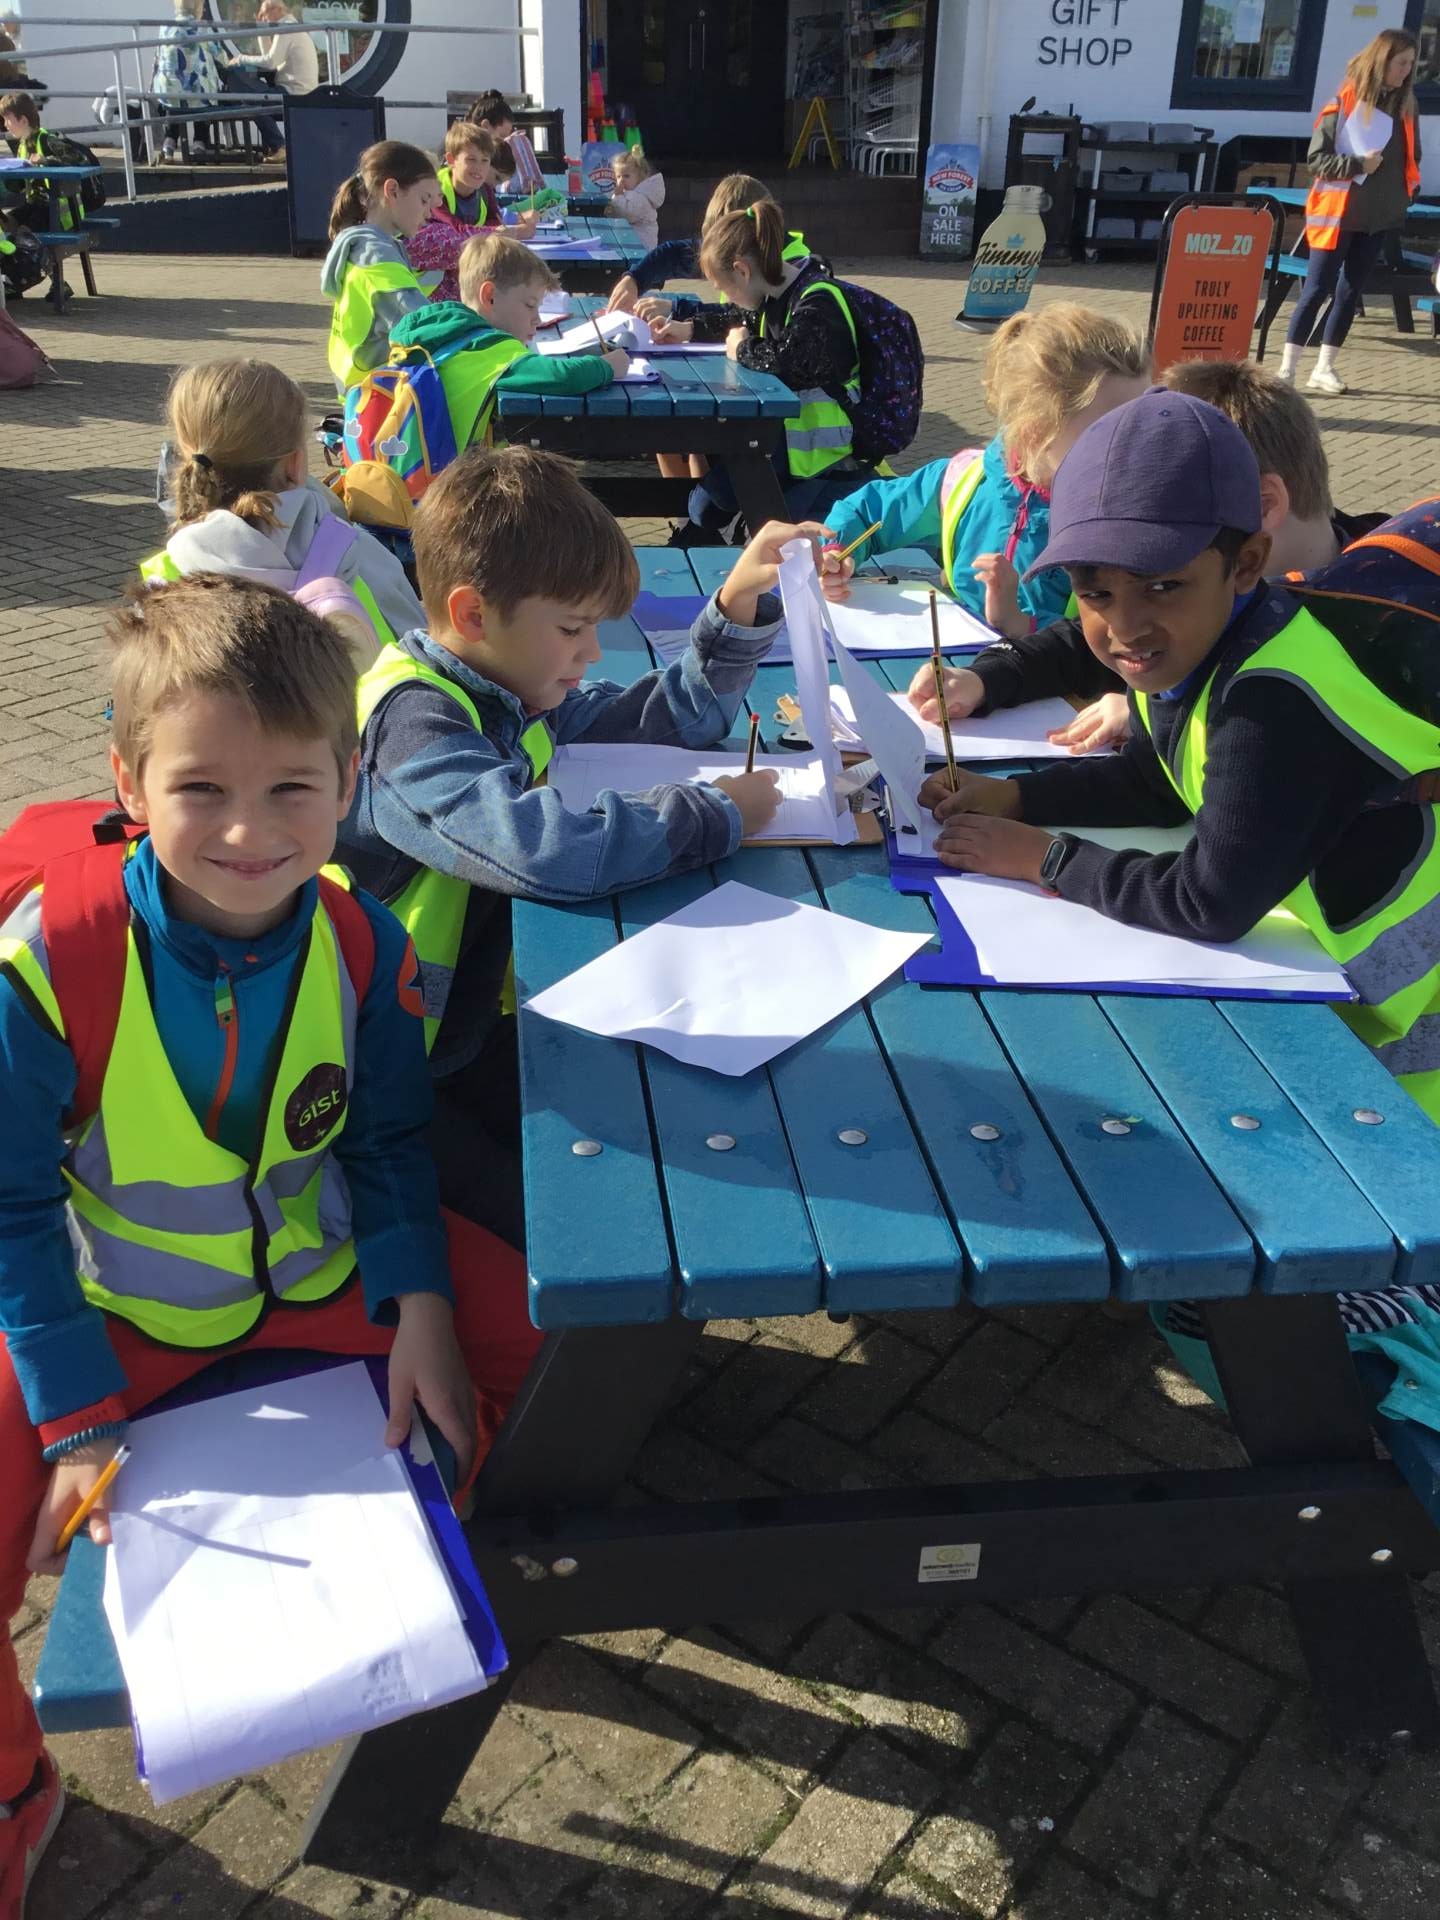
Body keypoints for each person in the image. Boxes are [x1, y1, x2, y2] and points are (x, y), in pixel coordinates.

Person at [0, 574, 542, 1911]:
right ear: (129, 781)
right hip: (108, 1310)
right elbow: (11, 1213)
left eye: (293, 788)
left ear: (348, 782)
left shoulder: (360, 941)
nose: (249, 831)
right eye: (201, 789)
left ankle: (441, 1559)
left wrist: (419, 1307)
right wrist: (76, 1421)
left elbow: (389, 1144)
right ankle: (17, 1792)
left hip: (310, 1279)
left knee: (542, 1338)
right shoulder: (50, 963)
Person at [919, 386, 1440, 1132]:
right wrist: (1020, 798)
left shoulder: (1273, 699)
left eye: (1163, 586)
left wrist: (1045, 858)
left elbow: (1210, 903)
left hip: (1403, 1037)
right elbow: (1157, 781)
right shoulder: (1203, 649)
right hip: (1334, 986)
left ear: (1247, 562)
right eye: (1095, 593)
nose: (1125, 627)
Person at [334, 448, 805, 1235]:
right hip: (389, 1074)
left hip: (468, 1030)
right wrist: (712, 815)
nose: (590, 652)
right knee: (574, 1226)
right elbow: (537, 850)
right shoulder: (414, 727)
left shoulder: (504, 688)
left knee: (659, 1129)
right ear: (474, 614)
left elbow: (657, 722)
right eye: (573, 628)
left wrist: (735, 609)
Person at [912, 354, 1393, 753]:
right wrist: (985, 678)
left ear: (1260, 509)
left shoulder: (1373, 630)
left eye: (1161, 580)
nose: (1126, 622)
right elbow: (1080, 643)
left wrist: (1147, 712)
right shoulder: (1234, 584)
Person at [821, 303, 1151, 634]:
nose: (1135, 444)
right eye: (1112, 431)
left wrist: (1020, 623)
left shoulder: (1129, 519)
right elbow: (869, 511)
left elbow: (1129, 636)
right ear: (1035, 430)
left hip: (1051, 668)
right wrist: (838, 553)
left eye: (1144, 420)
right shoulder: (966, 481)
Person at [142, 357, 425, 651]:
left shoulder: (161, 586)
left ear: (187, 457)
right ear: (295, 464)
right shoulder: (363, 559)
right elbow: (421, 661)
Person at [669, 196, 887, 540]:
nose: (726, 297)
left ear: (742, 271)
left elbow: (790, 362)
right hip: (786, 440)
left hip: (821, 451)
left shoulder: (817, 302)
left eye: (724, 288)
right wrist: (690, 329)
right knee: (705, 507)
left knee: (712, 505)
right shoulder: (775, 293)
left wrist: (742, 348)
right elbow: (738, 318)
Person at [388, 233, 626, 455]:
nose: (537, 319)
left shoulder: (441, 332)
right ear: (489, 296)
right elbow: (564, 376)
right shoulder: (489, 346)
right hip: (442, 478)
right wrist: (608, 366)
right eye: (530, 305)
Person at [1280, 26, 1420, 396]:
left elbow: (1412, 157)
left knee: (1350, 291)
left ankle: (1324, 368)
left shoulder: (1408, 105)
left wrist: (1407, 193)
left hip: (1379, 218)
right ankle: (1286, 370)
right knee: (1317, 289)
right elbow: (1317, 160)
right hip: (1337, 214)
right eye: (1401, 63)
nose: (1407, 70)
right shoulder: (1345, 99)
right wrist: (1358, 164)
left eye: (1411, 63)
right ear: (1382, 60)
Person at [605, 171, 813, 332]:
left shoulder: (789, 272)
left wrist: (675, 310)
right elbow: (675, 254)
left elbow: (740, 318)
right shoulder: (746, 251)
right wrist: (634, 279)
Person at [321, 139, 439, 395]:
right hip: (378, 394)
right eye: (424, 200)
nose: (429, 213)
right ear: (393, 190)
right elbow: (423, 325)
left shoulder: (366, 246)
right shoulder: (376, 255)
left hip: (362, 388)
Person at [408, 121, 537, 305]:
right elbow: (456, 234)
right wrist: (511, 232)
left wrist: (511, 230)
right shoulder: (435, 192)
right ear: (451, 160)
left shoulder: (485, 192)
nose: (479, 168)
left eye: (485, 160)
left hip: (463, 290)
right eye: (471, 160)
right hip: (425, 298)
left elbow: (495, 223)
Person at [219, 0, 317, 162]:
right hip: (301, 92)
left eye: (264, 14)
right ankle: (275, 146)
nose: (262, 18)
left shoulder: (286, 28)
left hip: (293, 93)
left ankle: (279, 146)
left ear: (277, 9)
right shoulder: (291, 26)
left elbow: (270, 62)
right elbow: (271, 60)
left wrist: (240, 59)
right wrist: (262, 31)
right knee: (253, 99)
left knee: (251, 101)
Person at [151, 0, 223, 165]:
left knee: (176, 93)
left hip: (168, 95)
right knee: (200, 91)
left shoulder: (165, 27)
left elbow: (158, 57)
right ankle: (199, 143)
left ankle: (169, 145)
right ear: (198, 8)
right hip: (199, 96)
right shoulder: (202, 28)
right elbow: (220, 55)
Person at [0, 89, 74, 232]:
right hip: (34, 205)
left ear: (23, 120)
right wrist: (10, 173)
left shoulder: (47, 140)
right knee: (5, 225)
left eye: (8, 119)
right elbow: (18, 187)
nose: (5, 125)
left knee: (24, 232)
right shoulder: (22, 146)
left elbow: (78, 159)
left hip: (56, 208)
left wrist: (46, 160)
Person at [607, 145, 664, 253]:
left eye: (626, 176)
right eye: (618, 176)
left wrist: (617, 197)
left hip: (642, 248)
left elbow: (627, 214)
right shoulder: (627, 194)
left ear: (640, 176)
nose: (621, 181)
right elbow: (612, 213)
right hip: (630, 246)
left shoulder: (641, 197)